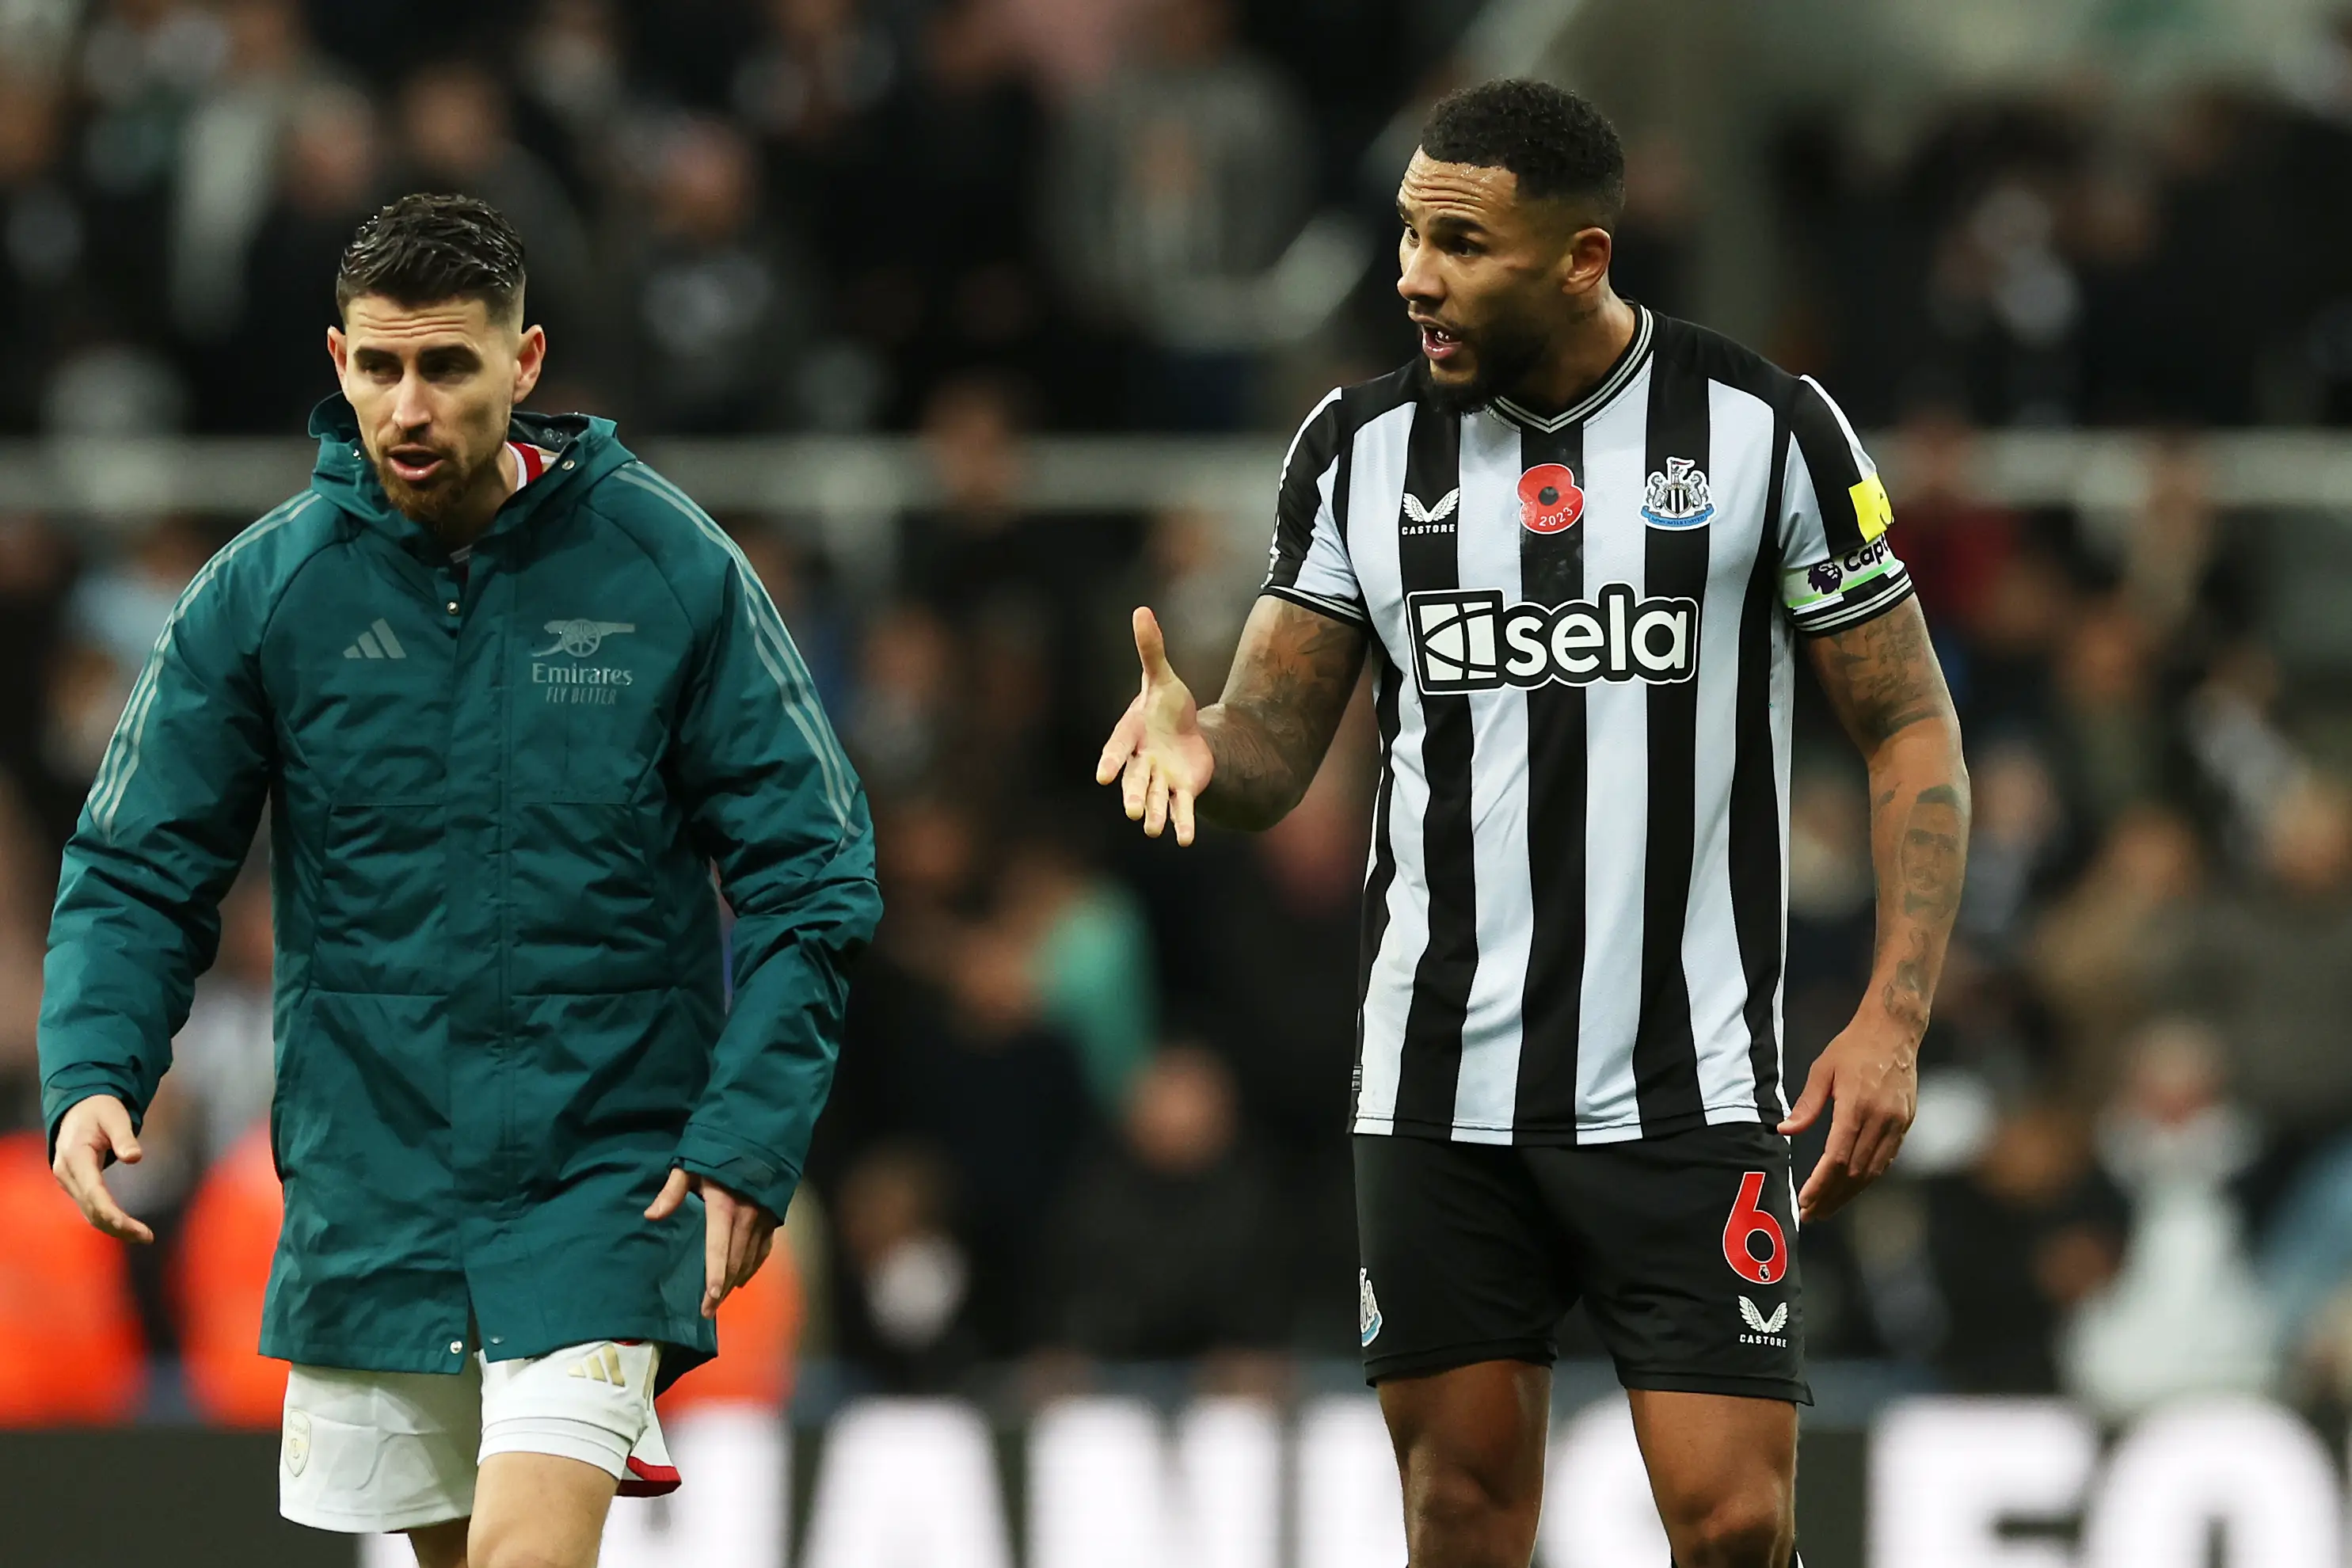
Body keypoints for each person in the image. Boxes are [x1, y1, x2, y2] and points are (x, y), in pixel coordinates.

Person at [1096, 81, 1970, 1568]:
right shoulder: (1355, 449)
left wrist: (1892, 1017)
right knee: (1460, 1513)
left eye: (1458, 244)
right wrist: (1199, 744)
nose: (1412, 276)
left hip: (1685, 1081)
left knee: (1737, 1516)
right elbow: (1268, 758)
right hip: (1439, 1082)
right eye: (1404, 237)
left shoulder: (1764, 430)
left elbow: (1908, 723)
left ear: (1581, 257)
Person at [40, 194, 878, 1568]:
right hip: (370, 1186)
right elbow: (137, 862)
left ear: (527, 362)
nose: (408, 406)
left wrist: (747, 1135)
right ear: (338, 358)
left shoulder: (671, 571)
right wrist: (89, 1067)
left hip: (605, 1179)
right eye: (378, 368)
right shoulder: (266, 595)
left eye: (447, 367)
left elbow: (813, 870)